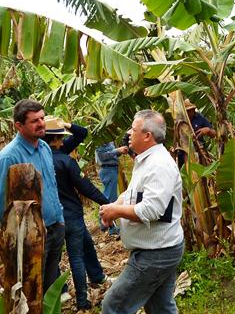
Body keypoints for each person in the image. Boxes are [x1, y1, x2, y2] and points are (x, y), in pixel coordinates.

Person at [99, 110, 184, 314]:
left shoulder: (159, 165)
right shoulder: (146, 160)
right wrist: (113, 206)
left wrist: (117, 211)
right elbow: (134, 193)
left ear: (147, 135)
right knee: (160, 308)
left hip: (156, 252)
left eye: (133, 129)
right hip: (158, 248)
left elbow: (152, 209)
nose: (129, 133)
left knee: (113, 306)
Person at [0, 99, 65, 294]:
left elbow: (52, 185)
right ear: (19, 125)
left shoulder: (44, 147)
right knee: (31, 291)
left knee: (50, 287)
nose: (41, 123)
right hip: (30, 237)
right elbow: (2, 204)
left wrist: (60, 219)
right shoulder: (9, 157)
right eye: (34, 121)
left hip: (55, 227)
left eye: (42, 118)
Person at [45, 116, 110, 311]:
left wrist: (62, 125)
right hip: (71, 215)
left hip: (50, 217)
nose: (64, 140)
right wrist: (107, 203)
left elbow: (81, 133)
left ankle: (66, 290)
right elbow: (85, 187)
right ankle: (82, 301)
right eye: (60, 137)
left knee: (55, 256)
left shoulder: (39, 158)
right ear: (55, 140)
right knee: (76, 257)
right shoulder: (66, 160)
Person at [96, 137, 126, 236]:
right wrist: (117, 150)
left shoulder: (109, 138)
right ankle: (108, 226)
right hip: (108, 170)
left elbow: (111, 154)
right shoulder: (101, 137)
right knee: (109, 198)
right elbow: (102, 156)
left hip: (112, 169)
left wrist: (119, 151)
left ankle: (108, 225)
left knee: (111, 197)